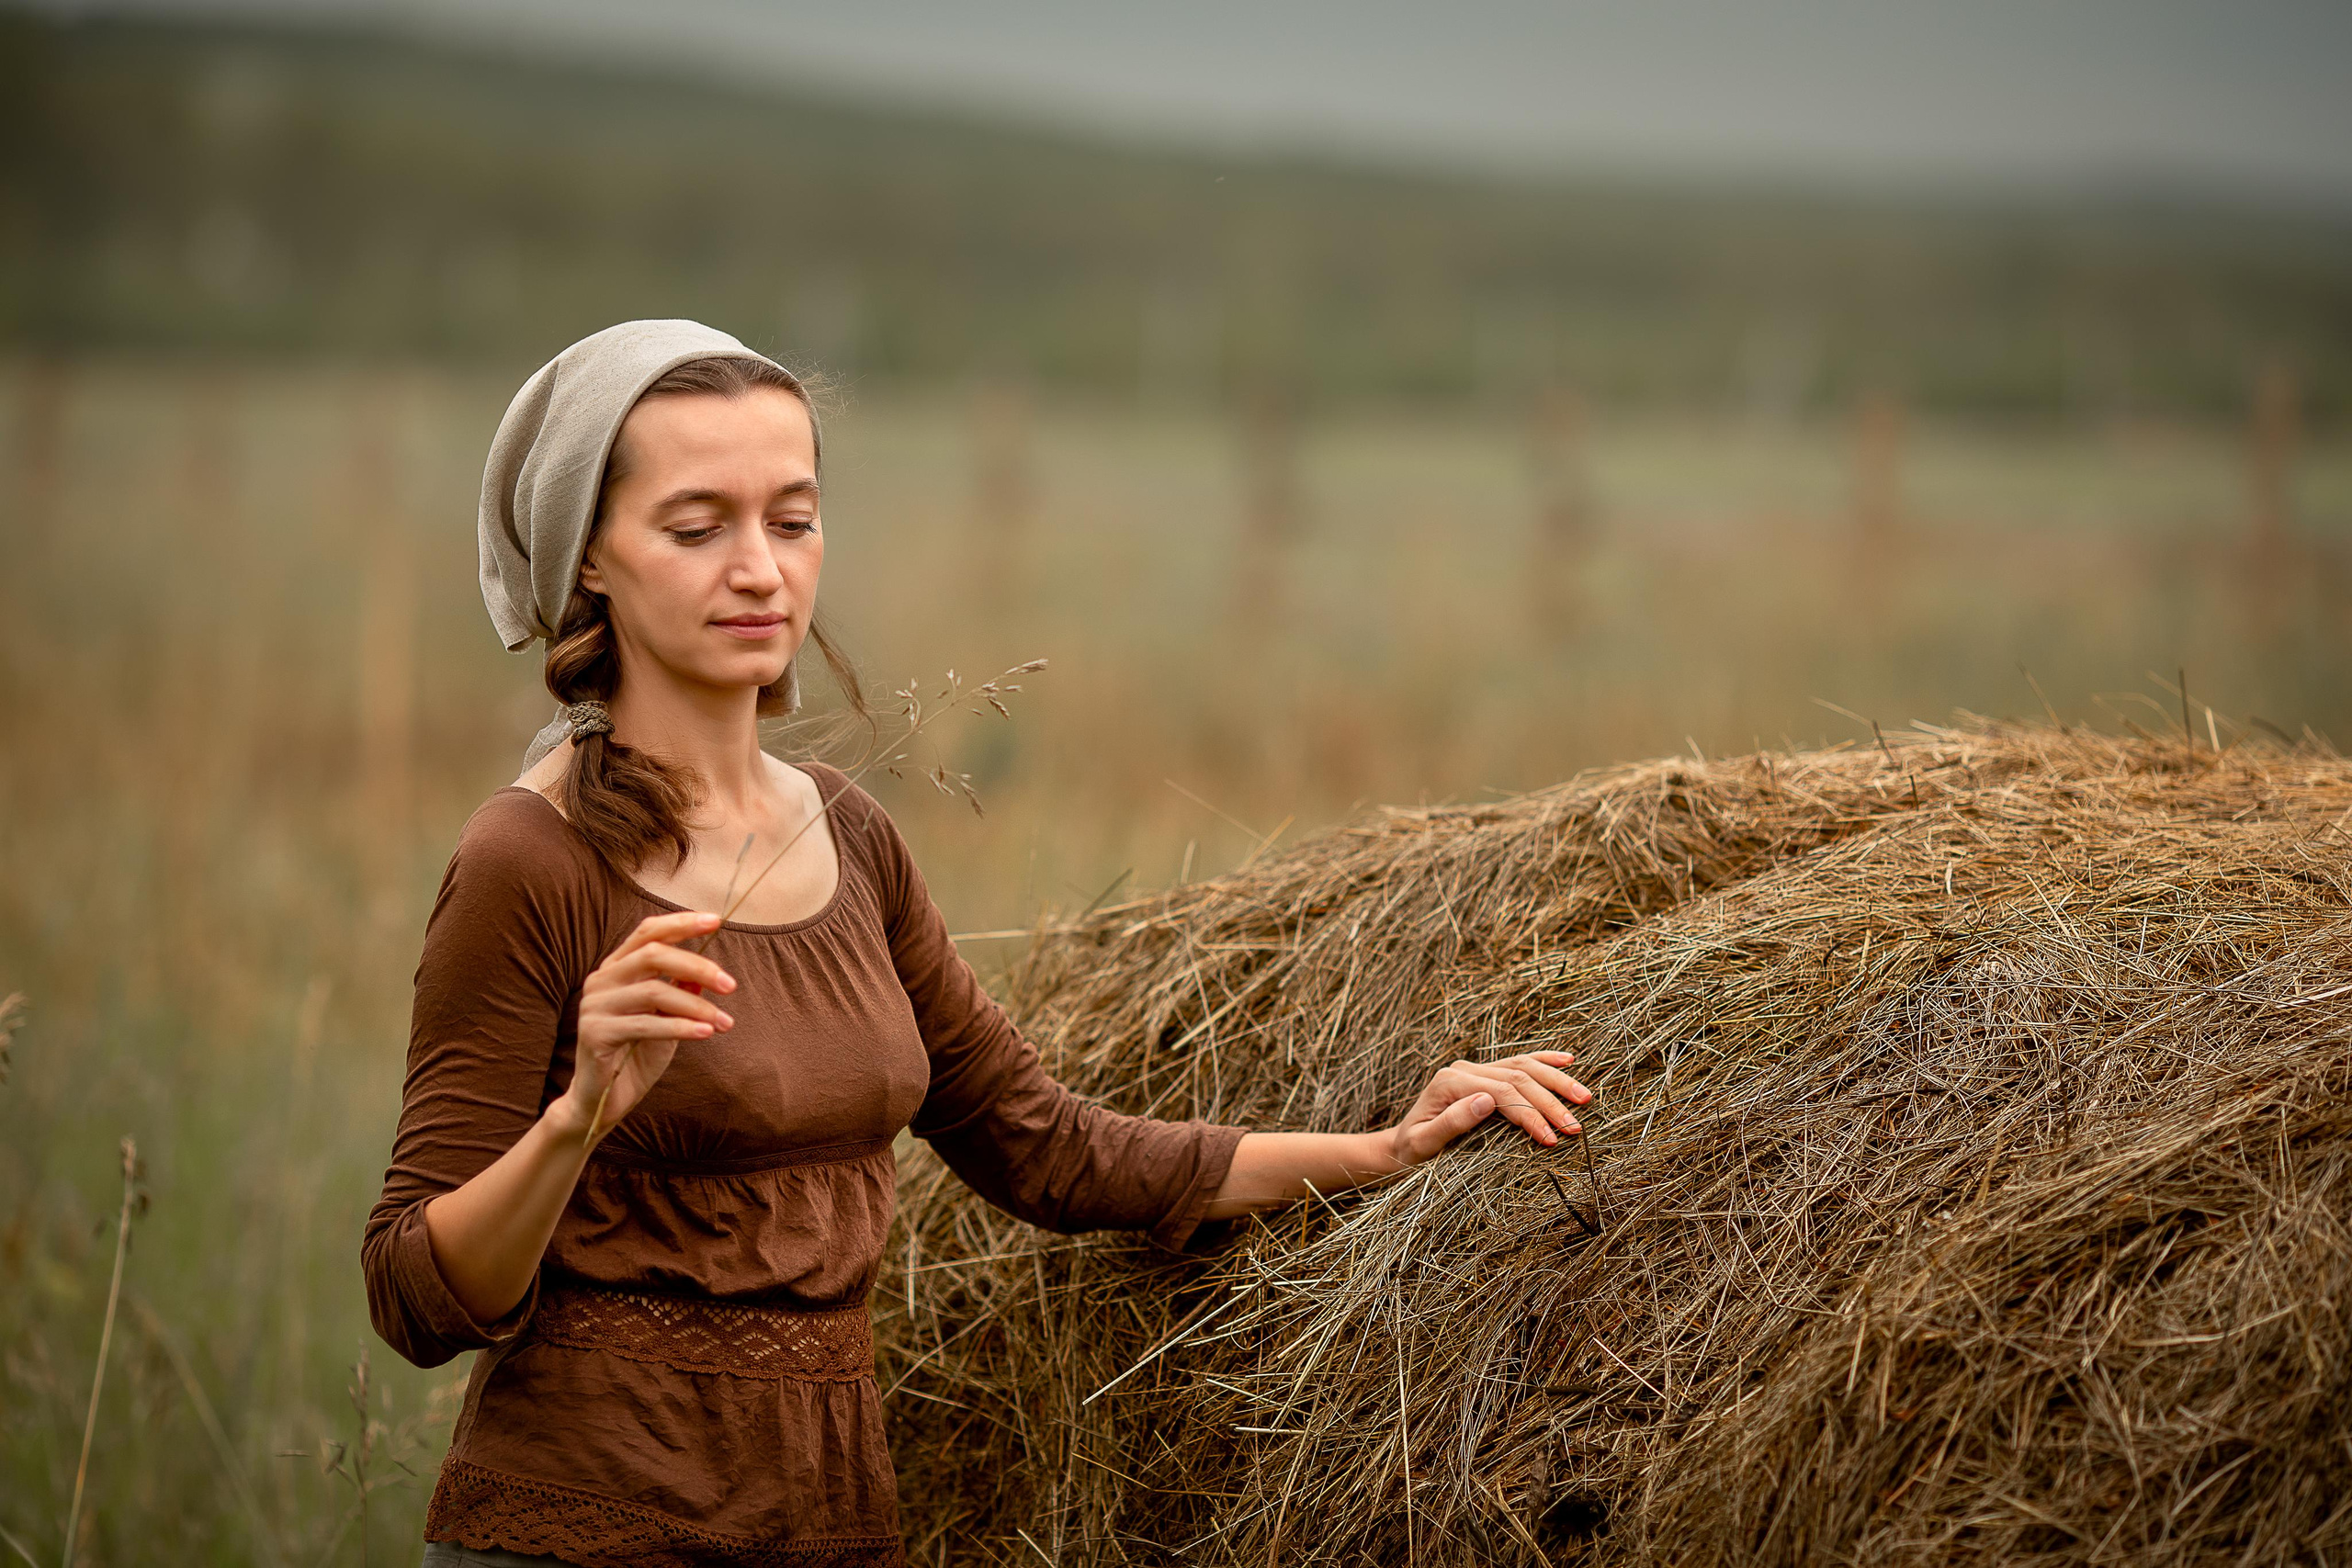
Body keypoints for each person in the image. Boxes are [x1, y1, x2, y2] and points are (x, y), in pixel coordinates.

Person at [362, 320, 1592, 1568]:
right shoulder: (528, 861)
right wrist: (578, 1118)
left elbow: (1048, 1149)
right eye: (697, 529)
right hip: (579, 1537)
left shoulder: (850, 837)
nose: (761, 571)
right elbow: (413, 1293)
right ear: (592, 568)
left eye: (791, 521)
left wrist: (1389, 1151)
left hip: (830, 1528)